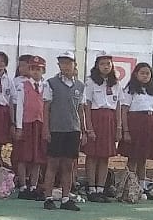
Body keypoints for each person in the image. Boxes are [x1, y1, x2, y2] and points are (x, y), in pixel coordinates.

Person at [42, 52, 85, 211]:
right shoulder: (51, 83)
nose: (66, 66)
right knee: (52, 164)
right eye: (62, 63)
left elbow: (80, 109)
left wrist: (83, 130)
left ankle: (66, 198)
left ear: (75, 65)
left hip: (73, 130)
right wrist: (46, 128)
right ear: (58, 65)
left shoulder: (80, 86)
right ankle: (48, 198)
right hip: (56, 129)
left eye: (69, 63)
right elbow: (46, 107)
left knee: (68, 165)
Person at [82, 53, 124, 203]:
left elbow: (118, 106)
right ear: (97, 66)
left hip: (110, 120)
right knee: (92, 155)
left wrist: (119, 127)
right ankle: (91, 188)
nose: (106, 67)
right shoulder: (90, 82)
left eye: (108, 64)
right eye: (102, 64)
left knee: (105, 156)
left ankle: (101, 188)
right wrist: (89, 127)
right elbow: (86, 105)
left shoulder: (116, 83)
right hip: (96, 117)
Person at [120, 62, 153, 196]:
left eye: (147, 73)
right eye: (142, 73)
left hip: (150, 126)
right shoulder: (130, 90)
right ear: (136, 74)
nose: (145, 76)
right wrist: (125, 131)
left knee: (143, 158)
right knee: (133, 157)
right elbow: (124, 111)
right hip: (135, 126)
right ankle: (129, 186)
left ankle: (142, 187)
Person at [11, 56, 49, 199]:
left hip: (40, 124)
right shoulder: (23, 86)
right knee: (23, 156)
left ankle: (33, 186)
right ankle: (23, 186)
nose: (35, 72)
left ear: (43, 71)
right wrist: (19, 126)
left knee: (37, 157)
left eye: (38, 69)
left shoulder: (47, 87)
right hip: (26, 124)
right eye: (33, 69)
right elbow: (20, 107)